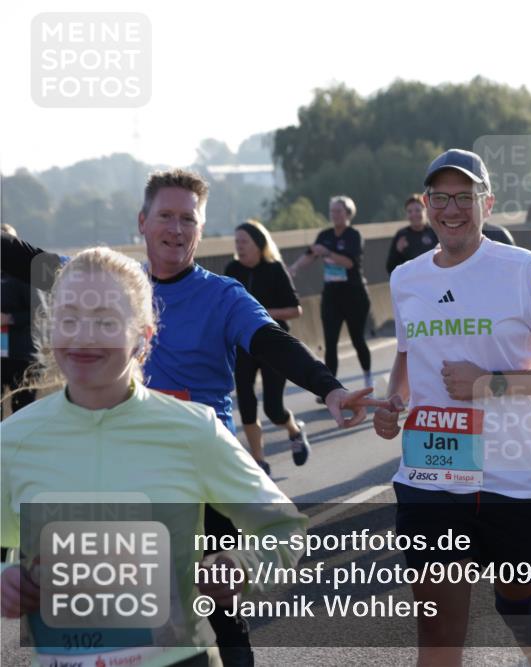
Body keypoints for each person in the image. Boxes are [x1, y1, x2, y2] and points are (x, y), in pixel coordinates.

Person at [1, 169, 375, 667]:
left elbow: (272, 343)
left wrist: (329, 390)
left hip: (197, 469)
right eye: (166, 216)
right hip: (112, 454)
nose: (176, 229)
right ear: (143, 222)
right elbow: (27, 259)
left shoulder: (222, 296)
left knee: (218, 610)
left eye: (188, 220)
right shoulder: (103, 286)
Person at [0, 247, 306, 667]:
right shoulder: (12, 440)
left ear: (143, 338)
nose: (84, 336)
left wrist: (244, 563)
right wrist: (5, 578)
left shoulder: (193, 430)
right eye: (68, 319)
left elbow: (285, 529)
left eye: (106, 321)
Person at [372, 148, 531, 667]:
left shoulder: (525, 270)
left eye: (464, 197)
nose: (452, 209)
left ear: (487, 203)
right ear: (426, 204)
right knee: (439, 633)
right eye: (440, 198)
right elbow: (409, 355)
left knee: (518, 605)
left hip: (513, 477)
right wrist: (393, 403)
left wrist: (489, 384)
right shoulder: (407, 279)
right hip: (432, 473)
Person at [224, 220, 310, 475]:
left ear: (259, 244)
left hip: (273, 344)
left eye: (244, 242)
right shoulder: (232, 269)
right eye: (236, 242)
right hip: (242, 345)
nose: (239, 247)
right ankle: (259, 462)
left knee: (273, 408)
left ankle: (294, 430)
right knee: (247, 403)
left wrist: (261, 314)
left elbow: (296, 309)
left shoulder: (274, 269)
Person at [288, 195, 373, 387]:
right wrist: (293, 268)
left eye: (339, 211)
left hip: (354, 295)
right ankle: (330, 387)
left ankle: (368, 378)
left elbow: (349, 263)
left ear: (348, 213)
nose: (334, 215)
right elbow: (310, 256)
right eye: (332, 211)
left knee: (358, 339)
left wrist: (327, 253)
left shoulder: (353, 236)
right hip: (332, 296)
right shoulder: (324, 235)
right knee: (330, 342)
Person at [1, 224, 38, 416]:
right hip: (1, 354)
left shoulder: (27, 274)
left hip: (22, 357)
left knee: (23, 414)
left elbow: (39, 312)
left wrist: (10, 318)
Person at [386, 194, 438, 276]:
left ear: (425, 211)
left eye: (417, 210)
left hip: (433, 280)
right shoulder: (401, 235)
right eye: (410, 211)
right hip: (411, 284)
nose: (414, 214)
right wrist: (398, 251)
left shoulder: (435, 232)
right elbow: (390, 268)